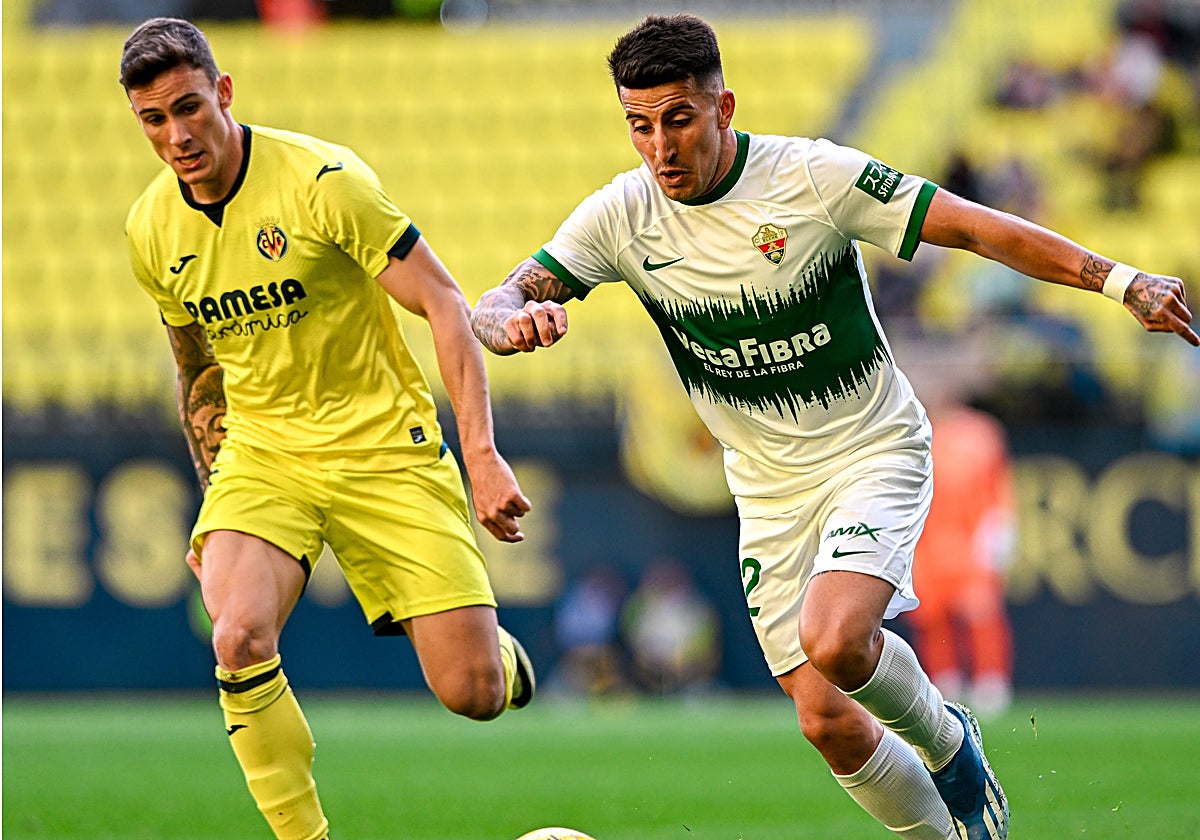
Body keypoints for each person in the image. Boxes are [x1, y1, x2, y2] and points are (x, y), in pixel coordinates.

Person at [470, 14, 1198, 840]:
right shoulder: (621, 216)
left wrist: (1118, 280)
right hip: (766, 487)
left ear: (724, 107)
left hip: (870, 450)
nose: (659, 147)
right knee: (828, 721)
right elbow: (499, 299)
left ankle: (952, 743)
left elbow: (971, 225)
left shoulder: (812, 177)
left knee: (837, 639)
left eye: (678, 118)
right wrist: (513, 322)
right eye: (639, 125)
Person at [120, 18, 535, 840]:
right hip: (266, 455)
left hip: (385, 448)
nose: (177, 136)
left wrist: (482, 456)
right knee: (235, 635)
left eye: (189, 108)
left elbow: (446, 303)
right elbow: (196, 366)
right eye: (154, 121)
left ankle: (501, 660)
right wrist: (215, 498)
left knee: (472, 695)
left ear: (225, 92)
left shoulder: (322, 181)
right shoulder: (150, 230)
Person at [906, 361, 1016, 718]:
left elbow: (999, 484)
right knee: (931, 616)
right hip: (928, 540)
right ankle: (943, 683)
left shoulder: (981, 432)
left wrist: (999, 527)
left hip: (969, 540)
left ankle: (991, 682)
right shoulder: (914, 432)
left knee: (981, 612)